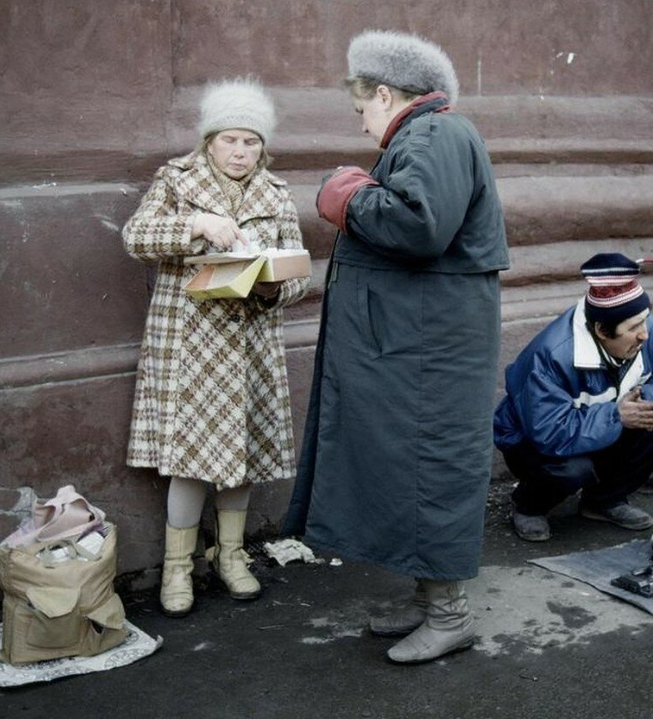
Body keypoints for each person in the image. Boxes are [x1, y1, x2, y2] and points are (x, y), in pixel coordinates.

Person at [282, 30, 509, 665]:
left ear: (385, 94)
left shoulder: (433, 133)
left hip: (426, 354)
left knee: (428, 470)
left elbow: (418, 225)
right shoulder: (432, 134)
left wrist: (346, 193)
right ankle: (428, 600)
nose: (362, 124)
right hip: (420, 347)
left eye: (362, 108)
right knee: (415, 469)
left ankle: (450, 615)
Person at [122, 78, 309, 616]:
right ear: (209, 141)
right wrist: (195, 225)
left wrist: (274, 287)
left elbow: (299, 272)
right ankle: (177, 568)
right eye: (230, 140)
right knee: (189, 460)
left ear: (262, 147)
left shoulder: (275, 193)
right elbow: (135, 237)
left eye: (251, 142)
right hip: (190, 345)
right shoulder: (176, 180)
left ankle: (231, 556)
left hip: (250, 344)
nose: (240, 152)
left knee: (240, 458)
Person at [493, 253, 653, 542]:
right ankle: (529, 506)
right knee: (572, 469)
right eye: (633, 328)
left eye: (645, 321)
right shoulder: (552, 356)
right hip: (534, 443)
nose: (644, 334)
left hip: (598, 424)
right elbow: (549, 434)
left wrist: (642, 403)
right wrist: (617, 415)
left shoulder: (646, 331)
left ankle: (603, 501)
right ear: (601, 331)